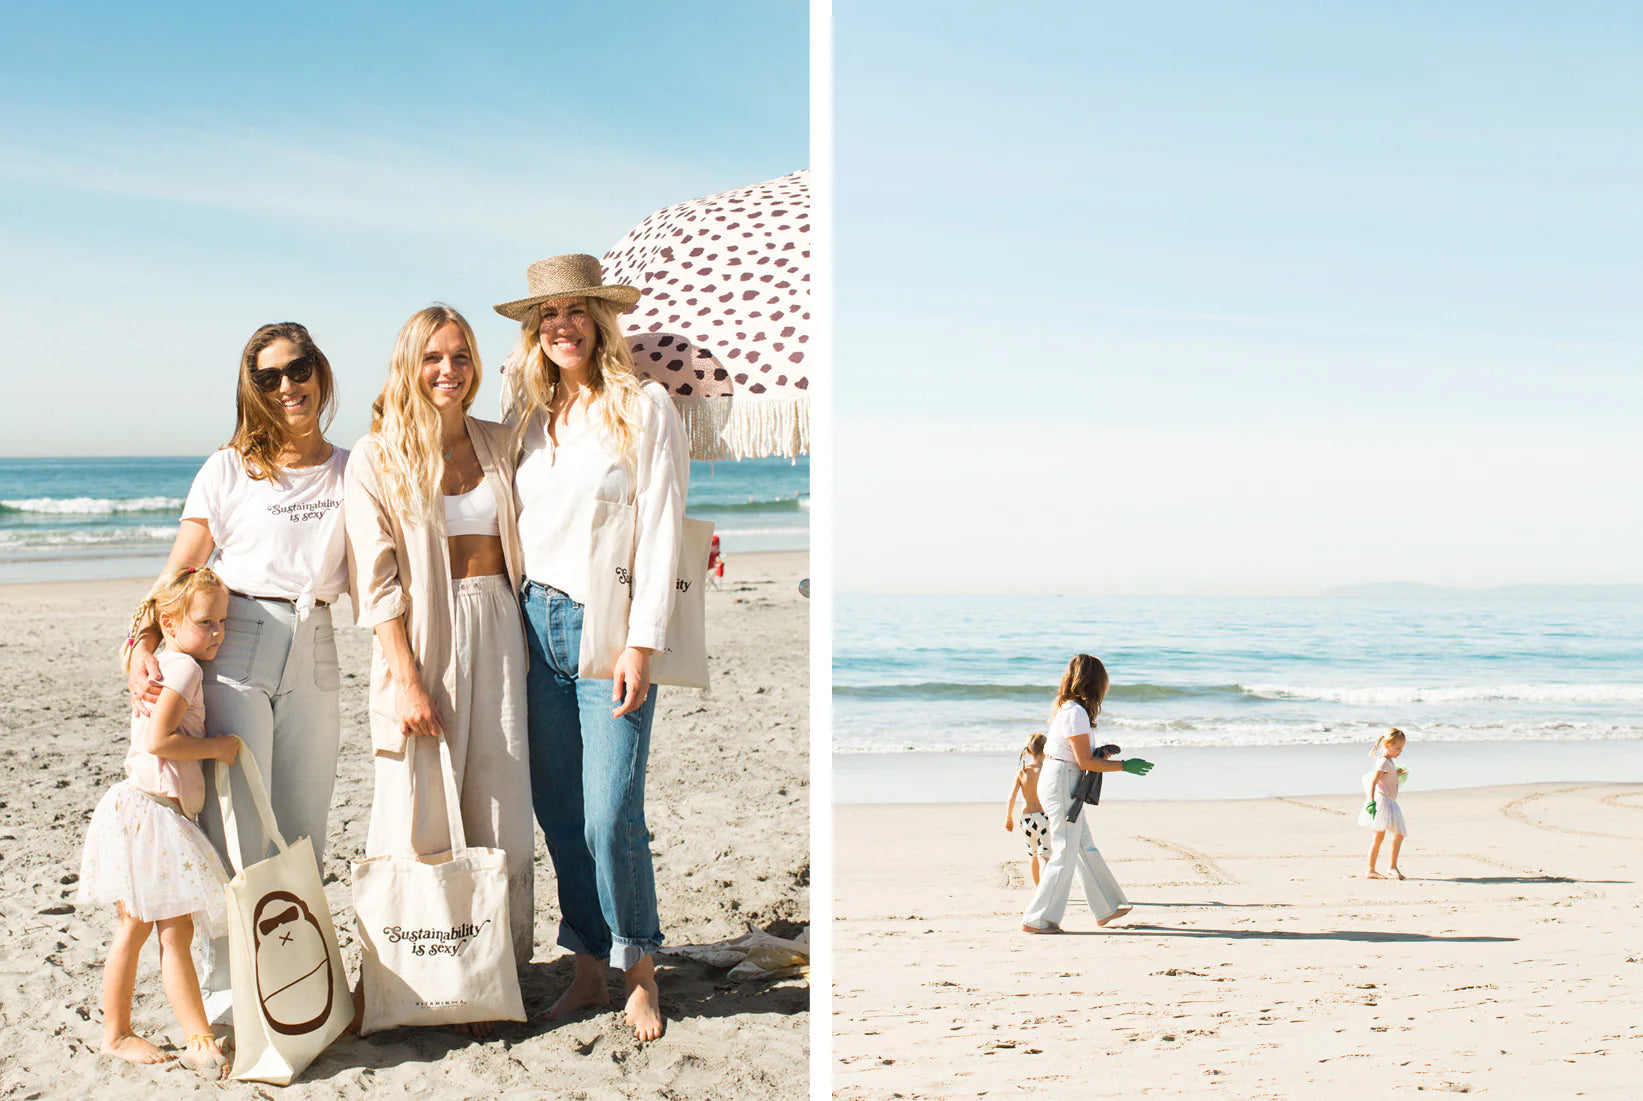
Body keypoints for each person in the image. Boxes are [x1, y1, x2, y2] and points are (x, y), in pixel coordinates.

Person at [126, 322, 349, 1019]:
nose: (288, 386)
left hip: (317, 642)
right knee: (239, 826)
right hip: (241, 637)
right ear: (252, 390)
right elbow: (182, 564)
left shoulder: (354, 465)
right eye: (269, 377)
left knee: (303, 826)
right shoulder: (228, 467)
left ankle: (299, 984)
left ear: (320, 369)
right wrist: (140, 637)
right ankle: (232, 994)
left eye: (299, 368)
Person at [495, 254, 689, 1042]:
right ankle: (584, 966)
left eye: (576, 311)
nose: (561, 326)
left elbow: (664, 530)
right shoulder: (525, 418)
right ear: (533, 333)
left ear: (601, 322)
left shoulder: (643, 407)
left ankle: (637, 971)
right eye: (547, 315)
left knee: (613, 811)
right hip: (530, 625)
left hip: (606, 626)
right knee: (561, 810)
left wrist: (642, 642)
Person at [342, 305, 535, 997]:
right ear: (408, 365)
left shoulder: (500, 441)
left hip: (502, 629)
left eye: (459, 356)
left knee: (499, 803)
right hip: (421, 639)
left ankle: (493, 973)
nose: (447, 370)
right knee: (419, 803)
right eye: (432, 357)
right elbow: (376, 578)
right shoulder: (376, 453)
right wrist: (406, 677)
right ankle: (415, 976)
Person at [81, 567, 239, 1075]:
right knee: (167, 933)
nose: (217, 633)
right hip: (154, 815)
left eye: (222, 622)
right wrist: (218, 746)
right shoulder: (185, 669)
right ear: (169, 623)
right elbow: (159, 742)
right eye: (205, 622)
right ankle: (187, 1038)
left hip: (139, 810)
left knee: (141, 929)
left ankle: (123, 1032)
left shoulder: (163, 663)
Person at [1021, 654, 1155, 934]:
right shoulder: (1075, 712)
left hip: (1063, 779)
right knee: (1065, 851)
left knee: (1083, 845)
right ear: (1095, 683)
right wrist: (1124, 766)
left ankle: (1107, 906)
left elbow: (1078, 755)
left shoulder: (1070, 709)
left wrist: (1101, 752)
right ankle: (1037, 919)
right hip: (1062, 782)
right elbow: (1084, 762)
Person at [1359, 728, 1410, 879]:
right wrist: (1371, 801)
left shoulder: (1389, 762)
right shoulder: (1383, 762)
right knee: (1380, 836)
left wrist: (1396, 772)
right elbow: (1373, 781)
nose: (1400, 751)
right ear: (1387, 745)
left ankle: (1391, 867)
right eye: (1397, 748)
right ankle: (1372, 869)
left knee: (1397, 834)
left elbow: (1387, 775)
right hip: (1383, 802)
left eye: (1402, 748)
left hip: (1390, 802)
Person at [1004, 733, 1051, 885]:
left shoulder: (1022, 771)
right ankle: (1045, 890)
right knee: (1045, 855)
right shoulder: (1047, 771)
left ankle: (1038, 889)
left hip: (1027, 820)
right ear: (1046, 750)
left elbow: (1012, 796)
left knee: (1033, 855)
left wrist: (1009, 818)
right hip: (1044, 818)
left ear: (1028, 752)